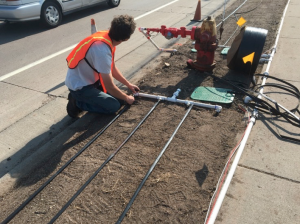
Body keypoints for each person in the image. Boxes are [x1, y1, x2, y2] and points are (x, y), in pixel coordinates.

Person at [65, 14, 140, 118]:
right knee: (114, 106)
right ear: (126, 38)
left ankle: (87, 98)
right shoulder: (102, 51)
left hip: (88, 81)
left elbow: (112, 68)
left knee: (120, 99)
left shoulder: (107, 37)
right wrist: (127, 98)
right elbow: (109, 86)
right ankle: (77, 103)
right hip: (80, 87)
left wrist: (128, 84)